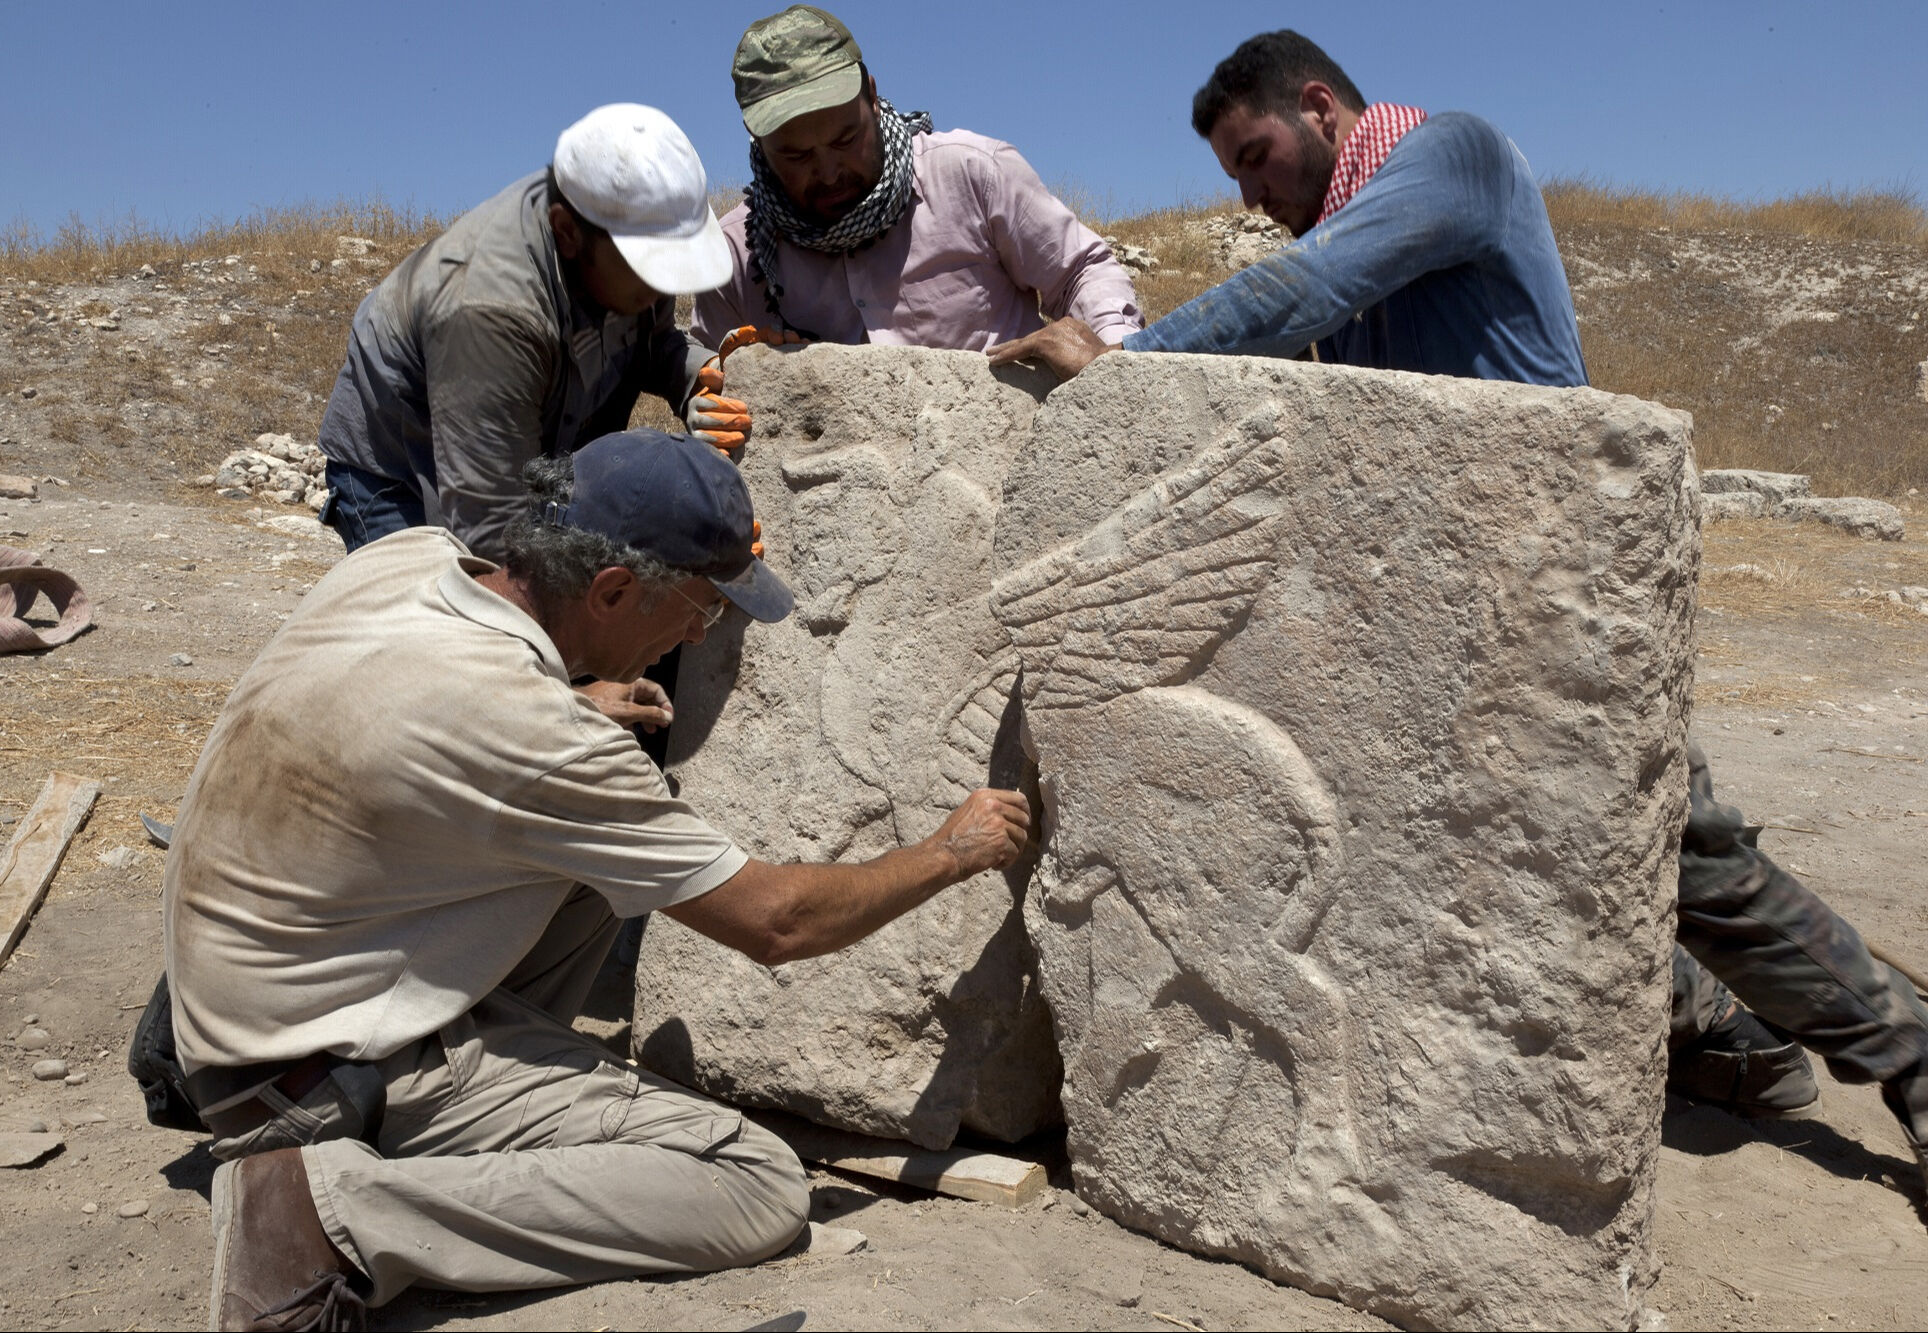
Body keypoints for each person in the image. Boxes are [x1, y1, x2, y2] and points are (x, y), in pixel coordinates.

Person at [991, 29, 1928, 1191]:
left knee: (1679, 847)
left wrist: (1127, 366)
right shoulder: (1361, 238)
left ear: (1322, 109)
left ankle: (1912, 1059)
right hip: (1450, 610)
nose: (1248, 190)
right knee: (1493, 855)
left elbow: (1309, 288)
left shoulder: (1450, 161)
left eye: (1255, 155)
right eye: (1231, 173)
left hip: (1556, 590)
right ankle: (1722, 1035)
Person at [166, 429, 1032, 1329]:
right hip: (309, 1073)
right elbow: (779, 923)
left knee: (590, 874)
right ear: (614, 589)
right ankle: (334, 1214)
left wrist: (570, 696)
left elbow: (421, 725)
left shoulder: (404, 561)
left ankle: (456, 1118)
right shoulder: (535, 735)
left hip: (244, 1007)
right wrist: (946, 852)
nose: (701, 634)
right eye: (701, 609)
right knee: (757, 1183)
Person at [315, 103, 755, 566]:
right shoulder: (489, 308)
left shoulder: (626, 245)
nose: (665, 285)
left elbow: (652, 342)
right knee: (435, 618)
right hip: (400, 466)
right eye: (652, 269)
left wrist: (695, 379)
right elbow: (492, 530)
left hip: (516, 438)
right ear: (567, 233)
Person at [689, 4, 1143, 352]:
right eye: (797, 155)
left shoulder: (972, 173)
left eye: (847, 140)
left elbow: (1080, 271)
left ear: (871, 95)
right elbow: (710, 373)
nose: (828, 173)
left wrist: (1111, 354)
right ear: (756, 138)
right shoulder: (733, 256)